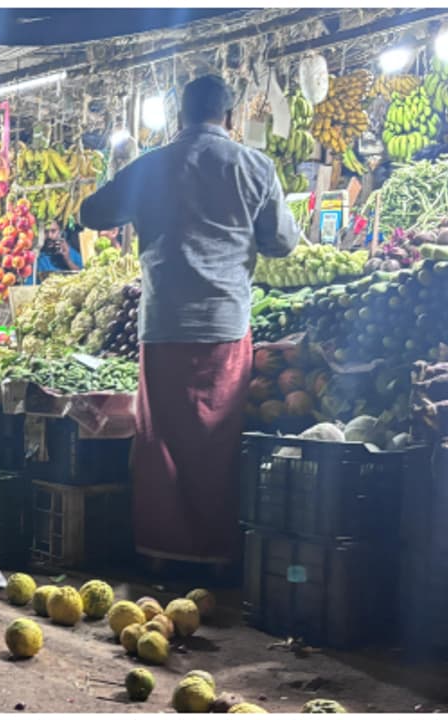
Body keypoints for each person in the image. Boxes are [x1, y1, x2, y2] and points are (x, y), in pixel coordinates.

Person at [78, 74, 299, 575]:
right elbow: (283, 243)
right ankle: (215, 558)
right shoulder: (254, 166)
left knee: (162, 442)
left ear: (179, 115)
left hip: (164, 325)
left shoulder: (151, 167)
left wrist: (128, 179)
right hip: (224, 322)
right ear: (230, 116)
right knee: (216, 443)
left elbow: (92, 213)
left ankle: (161, 554)